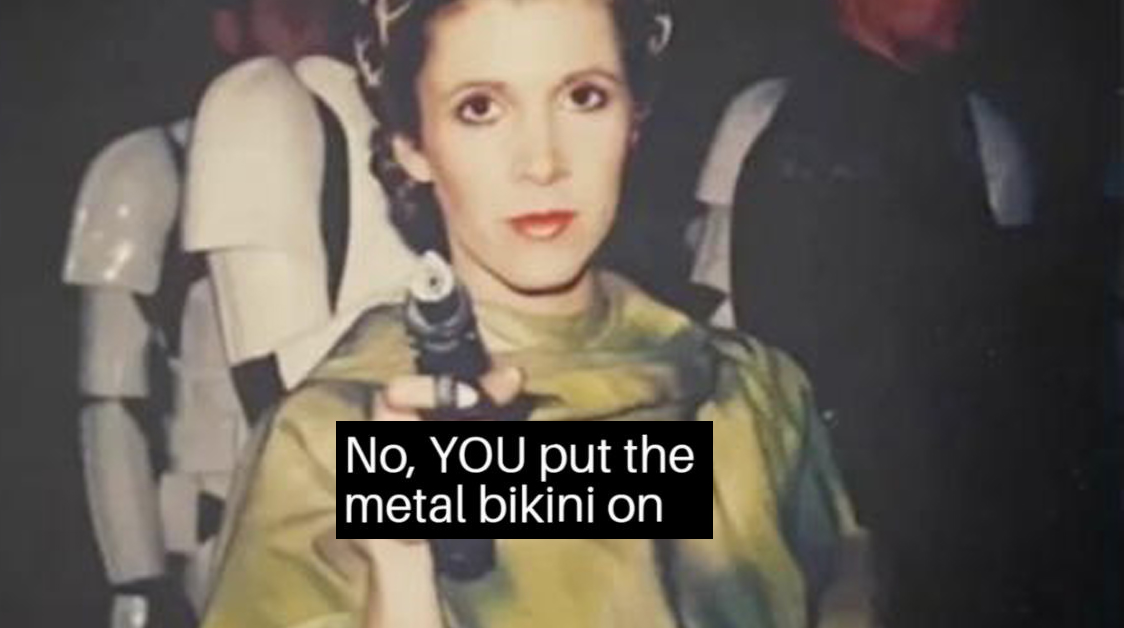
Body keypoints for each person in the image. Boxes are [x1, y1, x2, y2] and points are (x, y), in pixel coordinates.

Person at [199, 0, 866, 627]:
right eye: (480, 108)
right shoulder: (329, 443)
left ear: (635, 117)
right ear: (411, 144)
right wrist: (402, 579)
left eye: (584, 97)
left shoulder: (756, 392)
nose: (542, 162)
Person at [689, 0, 1106, 625]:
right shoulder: (764, 115)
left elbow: (1014, 365)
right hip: (810, 497)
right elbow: (720, 331)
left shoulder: (981, 131)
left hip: (945, 523)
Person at [61, 1, 415, 626]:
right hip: (225, 515)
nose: (309, 19)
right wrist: (137, 581)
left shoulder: (379, 143)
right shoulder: (156, 167)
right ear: (229, 24)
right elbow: (113, 401)